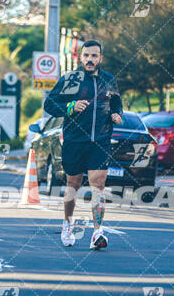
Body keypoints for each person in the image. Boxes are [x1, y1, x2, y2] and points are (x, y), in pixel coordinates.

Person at [44, 40, 123, 249]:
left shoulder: (108, 80)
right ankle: (67, 223)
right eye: (86, 55)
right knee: (73, 185)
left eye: (94, 56)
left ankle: (98, 233)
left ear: (100, 58)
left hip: (101, 140)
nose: (90, 59)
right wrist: (70, 106)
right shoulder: (71, 79)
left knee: (98, 185)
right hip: (74, 141)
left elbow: (116, 101)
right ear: (81, 57)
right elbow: (49, 104)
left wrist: (117, 114)